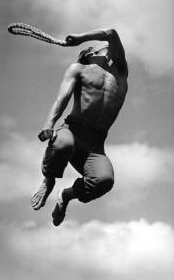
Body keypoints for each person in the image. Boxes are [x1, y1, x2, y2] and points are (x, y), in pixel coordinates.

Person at [30, 28, 128, 226]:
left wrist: (79, 38)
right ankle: (48, 181)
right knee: (61, 145)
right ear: (91, 53)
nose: (110, 48)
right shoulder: (78, 69)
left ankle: (66, 196)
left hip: (96, 144)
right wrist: (49, 124)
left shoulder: (121, 72)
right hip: (73, 131)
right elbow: (62, 98)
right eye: (104, 48)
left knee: (104, 180)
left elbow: (111, 33)